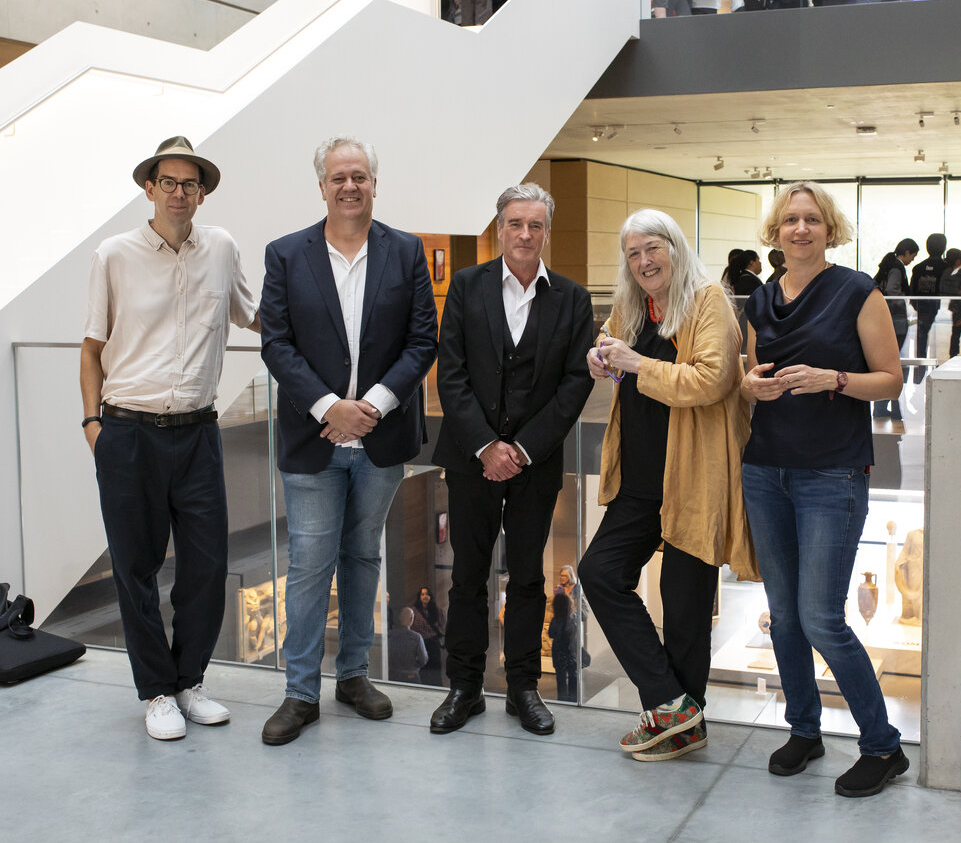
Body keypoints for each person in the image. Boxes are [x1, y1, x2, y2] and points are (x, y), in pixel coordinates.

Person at [258, 135, 438, 745]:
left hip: (380, 441)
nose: (350, 186)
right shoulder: (286, 254)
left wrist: (373, 407)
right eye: (339, 177)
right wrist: (331, 408)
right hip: (314, 440)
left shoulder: (407, 252)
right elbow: (276, 344)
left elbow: (422, 342)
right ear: (322, 186)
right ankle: (300, 692)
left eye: (359, 176)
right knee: (310, 563)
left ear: (374, 183)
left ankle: (353, 676)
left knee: (363, 558)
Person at [81, 135, 260, 741]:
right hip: (128, 432)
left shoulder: (222, 249)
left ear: (202, 193)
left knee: (208, 566)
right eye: (169, 182)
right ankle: (156, 690)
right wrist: (92, 426)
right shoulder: (114, 254)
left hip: (198, 433)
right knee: (134, 567)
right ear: (149, 187)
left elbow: (253, 314)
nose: (179, 192)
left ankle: (189, 681)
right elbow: (91, 347)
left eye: (191, 184)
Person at [740, 181, 909, 798]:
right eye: (791, 220)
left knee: (820, 618)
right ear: (776, 231)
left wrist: (834, 378)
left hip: (831, 474)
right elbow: (749, 372)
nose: (801, 229)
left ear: (829, 228)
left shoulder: (857, 291)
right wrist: (749, 386)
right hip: (765, 470)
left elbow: (890, 380)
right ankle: (804, 730)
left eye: (813, 219)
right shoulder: (760, 297)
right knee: (784, 617)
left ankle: (883, 747)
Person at [578, 209, 757, 762]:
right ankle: (673, 706)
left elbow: (712, 380)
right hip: (640, 477)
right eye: (633, 254)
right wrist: (600, 357)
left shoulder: (708, 302)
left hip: (693, 477)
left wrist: (635, 363)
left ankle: (677, 725)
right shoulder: (634, 305)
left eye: (653, 248)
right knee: (600, 573)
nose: (644, 261)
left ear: (675, 249)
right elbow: (612, 347)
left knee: (685, 609)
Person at [429, 182, 594, 735]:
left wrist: (521, 449)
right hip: (471, 459)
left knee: (527, 578)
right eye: (516, 224)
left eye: (536, 225)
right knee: (468, 577)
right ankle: (464, 688)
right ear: (499, 228)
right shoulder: (466, 286)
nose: (526, 234)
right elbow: (449, 373)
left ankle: (523, 687)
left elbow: (574, 385)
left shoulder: (571, 298)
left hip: (535, 463)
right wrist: (485, 446)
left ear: (547, 231)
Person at [872, 238, 918, 420]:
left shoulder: (886, 264)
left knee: (884, 363)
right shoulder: (897, 268)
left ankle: (884, 406)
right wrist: (905, 302)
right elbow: (892, 290)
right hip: (895, 318)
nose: (912, 260)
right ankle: (889, 407)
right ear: (906, 253)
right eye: (912, 256)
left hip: (885, 318)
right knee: (894, 364)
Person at [909, 233, 948, 383]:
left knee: (921, 343)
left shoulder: (918, 268)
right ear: (943, 247)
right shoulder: (947, 267)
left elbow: (912, 293)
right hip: (940, 312)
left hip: (922, 310)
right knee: (939, 344)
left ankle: (919, 377)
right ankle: (938, 377)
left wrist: (917, 306)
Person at [411, 586, 447, 686]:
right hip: (420, 643)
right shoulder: (414, 611)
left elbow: (443, 624)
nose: (425, 596)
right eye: (422, 594)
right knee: (423, 668)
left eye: (427, 594)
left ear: (430, 596)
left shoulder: (437, 610)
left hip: (433, 643)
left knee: (435, 669)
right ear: (419, 597)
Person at [548, 592, 578, 702]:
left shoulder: (555, 620)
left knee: (560, 677)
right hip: (570, 652)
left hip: (558, 652)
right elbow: (575, 634)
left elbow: (551, 634)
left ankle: (562, 699)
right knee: (573, 675)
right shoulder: (572, 619)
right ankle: (573, 698)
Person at [387, 607, 429, 684]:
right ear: (411, 618)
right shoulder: (416, 637)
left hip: (393, 675)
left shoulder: (390, 635)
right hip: (411, 676)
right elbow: (423, 659)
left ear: (400, 618)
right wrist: (414, 666)